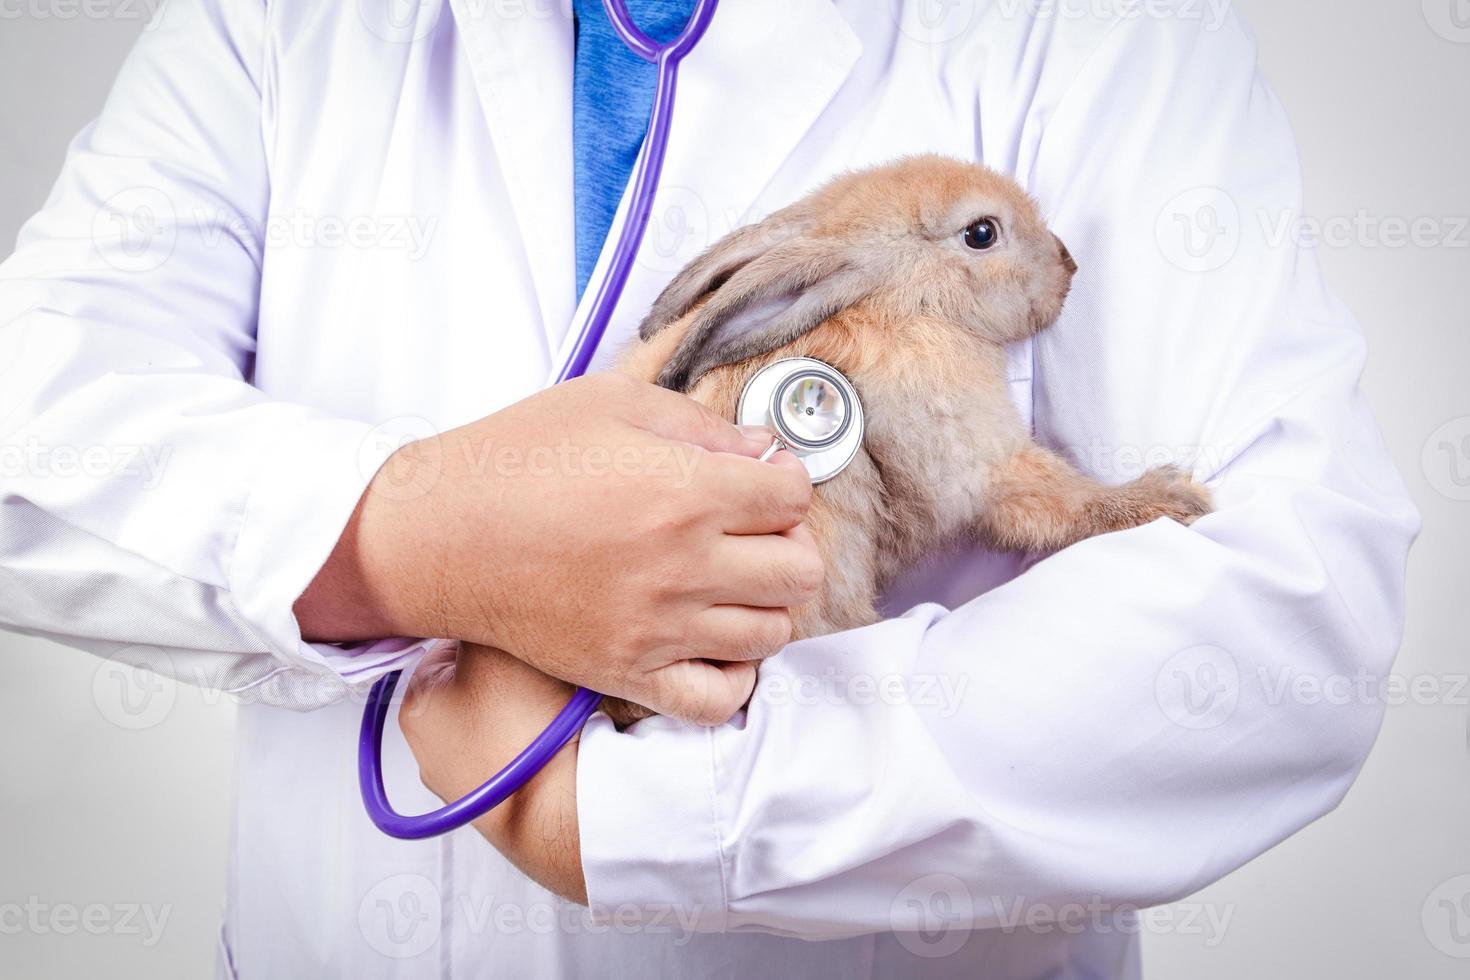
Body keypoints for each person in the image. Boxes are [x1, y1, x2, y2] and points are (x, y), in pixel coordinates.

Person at [0, 0, 1418, 977]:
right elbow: (34, 421)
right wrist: (415, 535)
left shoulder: (1095, 28)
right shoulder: (273, 25)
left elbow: (1287, 607)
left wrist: (638, 815)